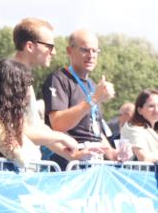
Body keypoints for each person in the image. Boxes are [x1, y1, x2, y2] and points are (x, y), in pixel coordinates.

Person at [9, 17, 96, 166]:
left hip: (21, 167)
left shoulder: (23, 78)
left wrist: (73, 155)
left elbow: (36, 126)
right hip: (10, 172)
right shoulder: (10, 76)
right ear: (30, 46)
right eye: (49, 46)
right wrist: (61, 138)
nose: (54, 52)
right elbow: (20, 131)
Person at [43, 28, 119, 168]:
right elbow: (58, 124)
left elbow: (94, 131)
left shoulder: (92, 85)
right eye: (84, 50)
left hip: (95, 160)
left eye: (95, 51)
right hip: (69, 162)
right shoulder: (59, 79)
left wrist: (113, 154)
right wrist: (93, 100)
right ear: (69, 51)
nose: (91, 56)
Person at [0, 60, 43, 170]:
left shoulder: (7, 120)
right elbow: (21, 159)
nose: (29, 90)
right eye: (26, 84)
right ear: (13, 89)